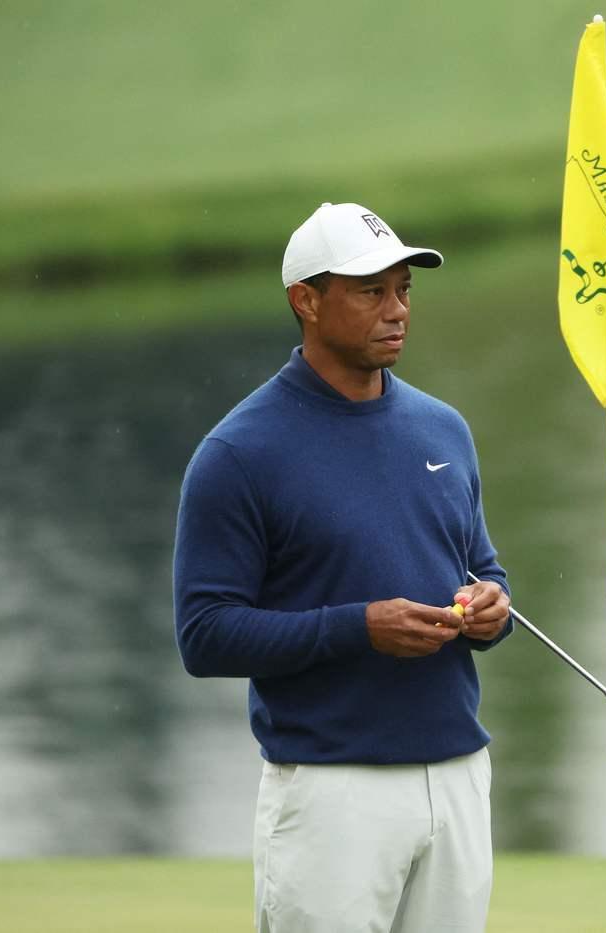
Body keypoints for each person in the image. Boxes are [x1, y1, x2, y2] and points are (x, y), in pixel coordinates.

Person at [173, 201, 513, 932]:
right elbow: (204, 635)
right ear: (307, 301)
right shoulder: (238, 454)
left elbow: (485, 568)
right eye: (370, 291)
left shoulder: (442, 426)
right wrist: (359, 628)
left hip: (456, 775)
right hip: (331, 792)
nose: (397, 311)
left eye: (404, 290)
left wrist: (492, 608)